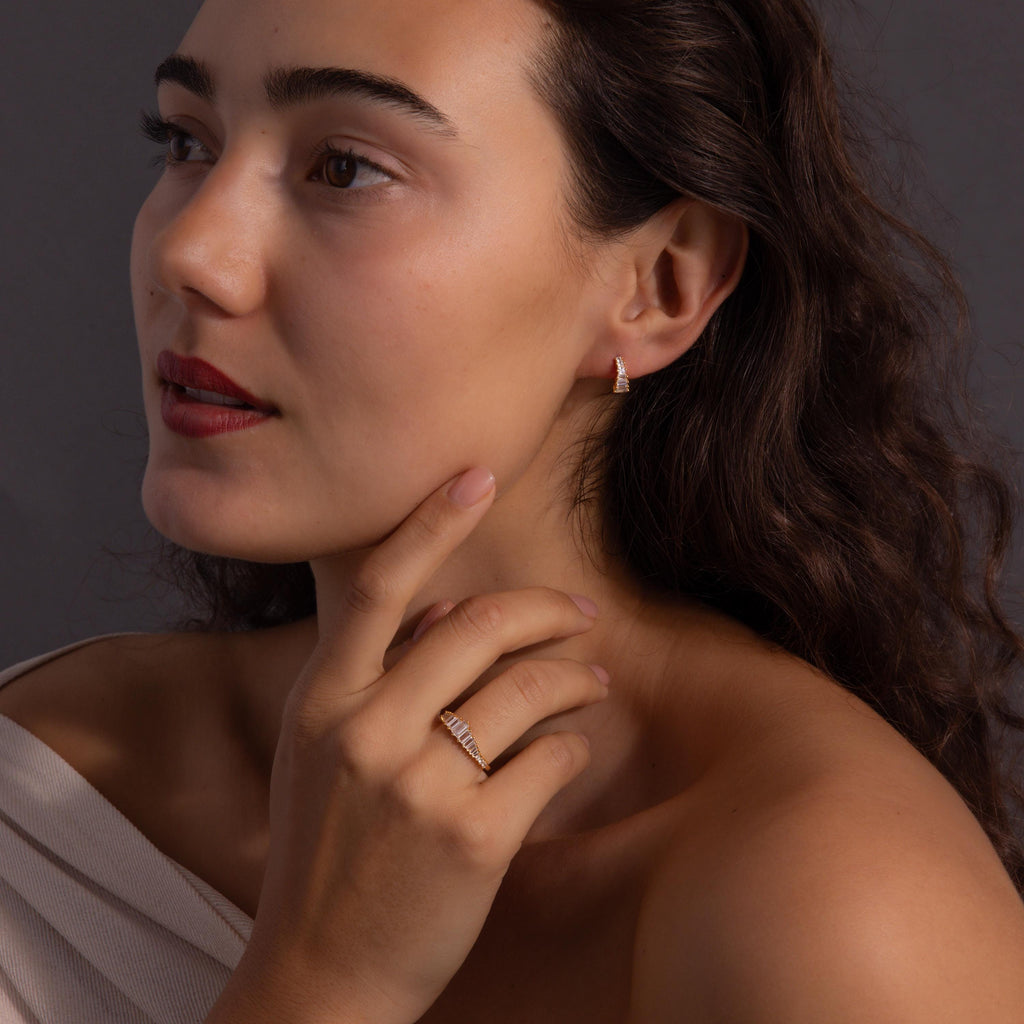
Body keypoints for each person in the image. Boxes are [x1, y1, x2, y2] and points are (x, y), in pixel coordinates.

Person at [2, 0, 1023, 1020]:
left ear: (659, 284)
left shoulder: (841, 910)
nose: (192, 251)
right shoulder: (39, 791)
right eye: (188, 141)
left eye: (346, 166)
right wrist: (321, 976)